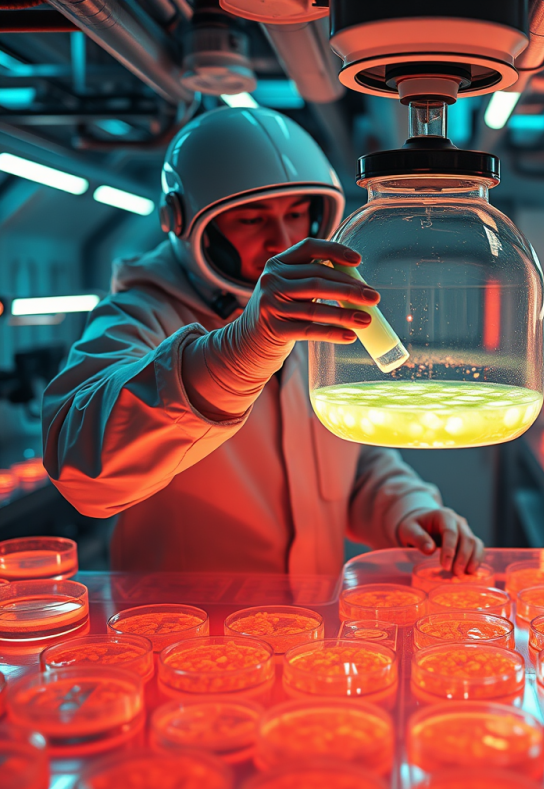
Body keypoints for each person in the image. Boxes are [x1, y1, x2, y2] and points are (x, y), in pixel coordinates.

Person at [42, 106, 484, 577]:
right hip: (184, 635)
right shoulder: (140, 313)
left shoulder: (307, 310)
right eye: (252, 220)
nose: (284, 240)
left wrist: (405, 509)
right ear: (189, 225)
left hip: (307, 632)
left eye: (298, 214)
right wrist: (237, 353)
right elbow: (83, 474)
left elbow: (342, 458)